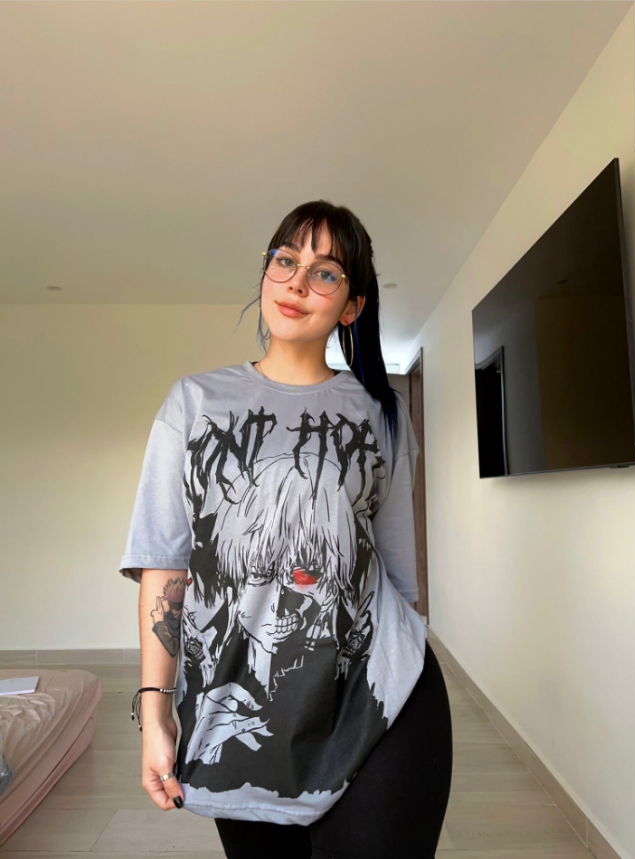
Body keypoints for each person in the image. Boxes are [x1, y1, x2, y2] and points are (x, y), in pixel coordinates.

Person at [119, 200, 453, 859]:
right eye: (286, 260)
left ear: (352, 306)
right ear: (266, 272)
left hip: (379, 690)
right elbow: (165, 563)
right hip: (240, 713)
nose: (298, 281)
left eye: (325, 272)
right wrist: (155, 710)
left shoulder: (381, 413)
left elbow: (396, 575)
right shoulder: (194, 403)